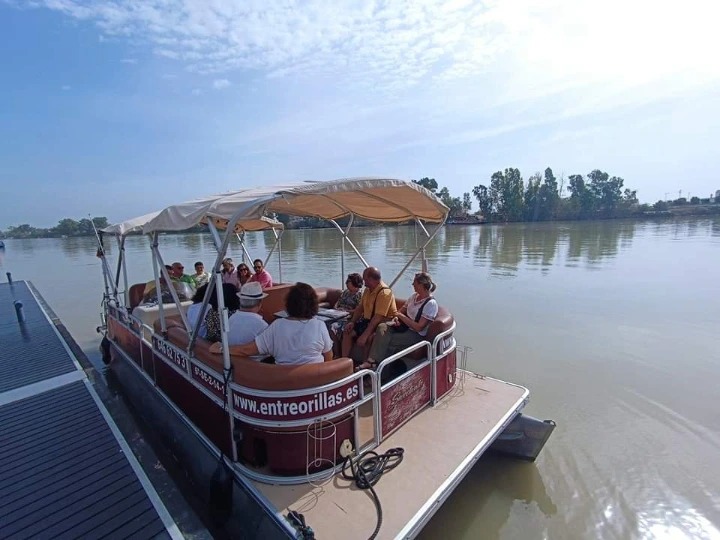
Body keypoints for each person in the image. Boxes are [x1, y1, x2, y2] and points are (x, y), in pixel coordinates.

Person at [211, 282, 332, 365]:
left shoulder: (276, 326)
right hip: (315, 381)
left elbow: (246, 350)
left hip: (283, 382)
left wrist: (222, 348)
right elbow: (328, 357)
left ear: (289, 304)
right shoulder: (319, 325)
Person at [359, 272, 438, 371]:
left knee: (386, 341)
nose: (412, 285)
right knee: (382, 326)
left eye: (415, 283)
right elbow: (401, 311)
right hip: (404, 327)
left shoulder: (431, 304)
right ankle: (373, 364)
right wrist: (396, 319)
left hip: (415, 334)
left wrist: (401, 316)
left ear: (421, 285)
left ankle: (374, 366)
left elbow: (419, 327)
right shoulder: (414, 297)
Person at [341, 267, 397, 359]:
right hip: (367, 320)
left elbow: (378, 317)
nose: (363, 282)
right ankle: (343, 361)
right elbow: (360, 307)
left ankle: (364, 367)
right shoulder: (367, 290)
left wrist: (364, 335)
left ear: (370, 279)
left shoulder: (384, 293)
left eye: (365, 279)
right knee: (347, 332)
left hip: (383, 323)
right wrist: (352, 321)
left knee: (368, 338)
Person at [226, 282, 269, 348]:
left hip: (229, 357)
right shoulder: (262, 326)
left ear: (240, 300)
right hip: (251, 358)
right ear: (260, 303)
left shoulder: (230, 319)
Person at [329, 273, 363, 350]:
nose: (347, 284)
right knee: (325, 324)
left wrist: (346, 311)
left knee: (333, 327)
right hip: (337, 314)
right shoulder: (345, 292)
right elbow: (338, 302)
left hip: (348, 318)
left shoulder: (360, 295)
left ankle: (337, 352)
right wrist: (336, 308)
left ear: (356, 284)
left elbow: (359, 310)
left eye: (349, 282)